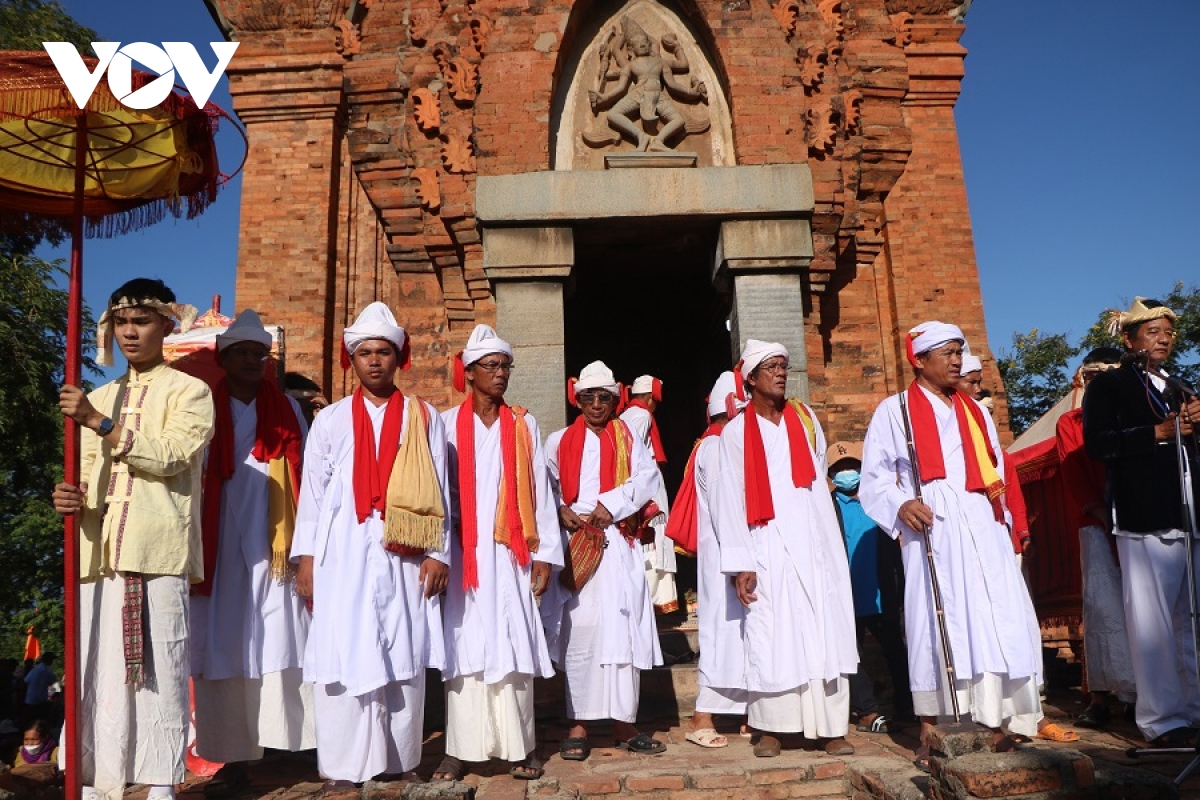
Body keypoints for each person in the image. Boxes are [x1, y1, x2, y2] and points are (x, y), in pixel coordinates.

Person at [52, 278, 214, 800]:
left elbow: (170, 457)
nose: (129, 332)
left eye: (141, 321)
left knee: (160, 667)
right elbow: (88, 476)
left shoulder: (190, 391)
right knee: (97, 668)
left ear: (167, 324)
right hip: (98, 555)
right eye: (121, 322)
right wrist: (71, 500)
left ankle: (162, 781)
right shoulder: (95, 397)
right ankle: (100, 778)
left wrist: (98, 422)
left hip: (157, 548)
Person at [860, 321, 1044, 771]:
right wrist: (901, 503)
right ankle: (931, 728)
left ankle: (995, 721)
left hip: (982, 518)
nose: (958, 360)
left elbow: (996, 471)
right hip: (933, 522)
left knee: (994, 616)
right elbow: (875, 477)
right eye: (947, 353)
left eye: (960, 351)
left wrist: (1003, 523)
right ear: (920, 360)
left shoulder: (977, 412)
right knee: (935, 618)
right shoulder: (894, 410)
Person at [291, 302, 450, 790]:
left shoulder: (425, 418)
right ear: (352, 360)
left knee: (402, 654)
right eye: (365, 353)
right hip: (344, 554)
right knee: (342, 654)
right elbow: (314, 497)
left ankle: (400, 760)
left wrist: (438, 553)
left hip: (405, 553)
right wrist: (307, 560)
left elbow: (442, 488)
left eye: (384, 352)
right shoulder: (331, 420)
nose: (375, 361)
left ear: (398, 357)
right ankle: (341, 767)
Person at [713, 340, 858, 758]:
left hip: (813, 544)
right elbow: (729, 500)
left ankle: (830, 727)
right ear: (751, 378)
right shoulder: (736, 433)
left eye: (784, 366)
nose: (780, 373)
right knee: (771, 634)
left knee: (821, 631)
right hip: (765, 544)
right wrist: (740, 563)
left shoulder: (806, 418)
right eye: (771, 367)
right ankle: (771, 728)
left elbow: (815, 479)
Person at [190, 310, 315, 795]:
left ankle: (292, 745)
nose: (248, 360)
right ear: (223, 359)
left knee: (283, 638)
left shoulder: (286, 407)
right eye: (239, 353)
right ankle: (231, 757)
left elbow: (309, 476)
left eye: (257, 354)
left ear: (267, 361)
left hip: (274, 540)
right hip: (217, 538)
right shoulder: (201, 404)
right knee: (225, 644)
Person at [435, 325, 563, 782]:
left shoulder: (522, 423)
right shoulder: (446, 424)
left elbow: (540, 495)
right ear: (468, 373)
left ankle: (519, 745)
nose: (500, 374)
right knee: (464, 647)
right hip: (463, 554)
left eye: (505, 365)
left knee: (512, 643)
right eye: (491, 366)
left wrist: (545, 553)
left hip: (512, 555)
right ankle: (458, 749)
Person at [1083, 297, 1200, 746]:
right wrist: (1156, 433)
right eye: (1152, 332)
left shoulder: (1181, 384)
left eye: (1168, 332)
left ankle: (1192, 707)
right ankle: (1162, 719)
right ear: (1129, 340)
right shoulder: (1110, 387)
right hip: (1143, 511)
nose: (1163, 339)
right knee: (1152, 623)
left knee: (1189, 617)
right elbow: (1098, 443)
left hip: (1185, 510)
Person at [542, 361, 665, 760]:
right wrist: (561, 510)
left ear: (615, 400)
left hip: (617, 539)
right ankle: (578, 722)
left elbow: (646, 480)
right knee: (582, 627)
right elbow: (545, 486)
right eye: (589, 397)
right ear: (576, 400)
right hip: (577, 542)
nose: (597, 404)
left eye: (605, 398)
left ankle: (624, 723)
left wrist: (609, 507)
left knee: (622, 627)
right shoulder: (558, 441)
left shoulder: (629, 440)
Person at [668, 372, 748, 749]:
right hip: (725, 557)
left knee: (742, 633)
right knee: (722, 634)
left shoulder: (721, 444)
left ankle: (748, 713)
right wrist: (738, 559)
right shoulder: (716, 447)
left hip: (733, 553)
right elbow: (723, 508)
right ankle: (703, 715)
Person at [1056, 347, 1134, 729]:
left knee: (1145, 610)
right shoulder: (1071, 423)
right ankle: (1102, 696)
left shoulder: (1139, 418)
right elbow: (1074, 476)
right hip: (1095, 522)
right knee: (1103, 610)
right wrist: (1100, 512)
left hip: (1139, 520)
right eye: (1089, 378)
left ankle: (1142, 696)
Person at [826, 442, 913, 734]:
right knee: (852, 657)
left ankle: (908, 706)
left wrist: (901, 587)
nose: (845, 473)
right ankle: (867, 710)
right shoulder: (826, 507)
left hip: (879, 592)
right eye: (838, 469)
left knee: (897, 652)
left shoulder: (878, 503)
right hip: (843, 596)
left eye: (851, 467)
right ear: (830, 475)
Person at [621, 374, 679, 614]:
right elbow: (632, 453)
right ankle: (655, 600)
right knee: (653, 537)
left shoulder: (625, 415)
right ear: (649, 397)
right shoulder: (642, 416)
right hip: (647, 486)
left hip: (642, 483)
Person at [22, 653, 56, 727]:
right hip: (41, 701)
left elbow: (26, 681)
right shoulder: (47, 671)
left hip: (30, 700)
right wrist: (52, 698)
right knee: (41, 721)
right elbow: (54, 684)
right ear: (48, 660)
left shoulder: (35, 669)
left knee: (31, 721)